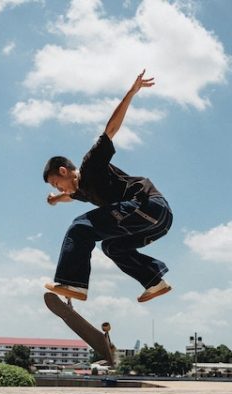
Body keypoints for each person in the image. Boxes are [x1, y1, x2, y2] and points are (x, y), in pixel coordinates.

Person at [43, 70, 173, 303]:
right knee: (112, 247)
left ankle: (73, 283)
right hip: (158, 222)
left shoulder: (91, 164)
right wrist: (56, 198)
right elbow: (72, 196)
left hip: (146, 205)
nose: (61, 188)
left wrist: (131, 93)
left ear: (64, 171)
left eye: (57, 183)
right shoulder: (82, 191)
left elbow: (110, 130)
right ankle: (154, 281)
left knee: (79, 227)